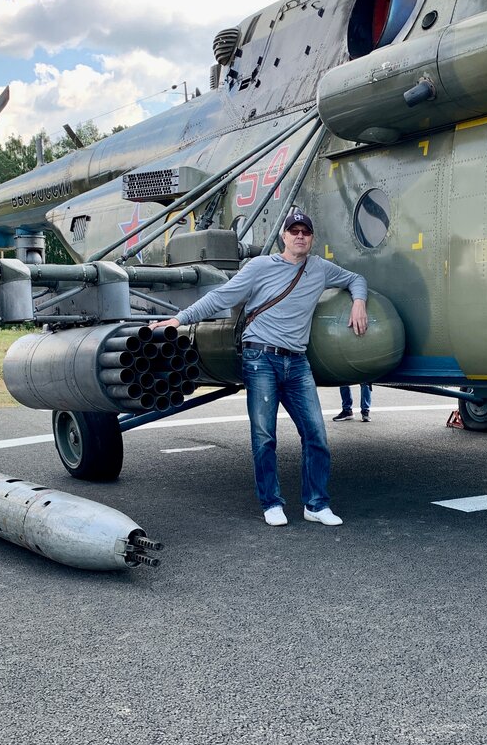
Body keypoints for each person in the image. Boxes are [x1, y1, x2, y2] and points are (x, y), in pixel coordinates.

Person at [151, 210, 368, 527]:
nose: (299, 236)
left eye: (305, 232)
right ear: (284, 235)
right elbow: (221, 297)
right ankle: (271, 503)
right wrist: (178, 320)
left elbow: (355, 279)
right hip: (260, 359)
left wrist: (358, 301)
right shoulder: (260, 267)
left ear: (311, 238)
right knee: (264, 437)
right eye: (293, 231)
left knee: (316, 436)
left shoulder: (319, 269)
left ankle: (316, 504)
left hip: (296, 361)